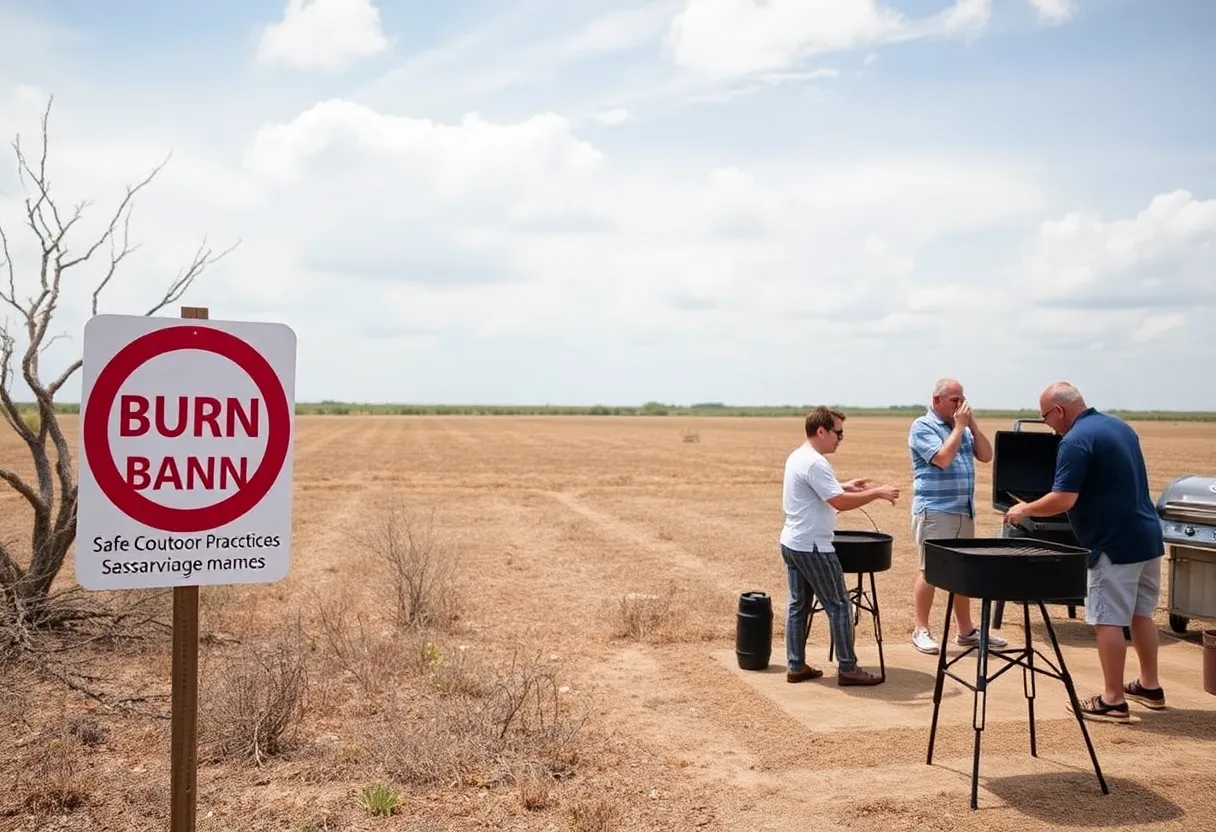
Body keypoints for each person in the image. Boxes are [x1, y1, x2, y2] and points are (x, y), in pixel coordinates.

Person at [1004, 381, 1165, 723]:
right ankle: (1150, 686)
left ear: (1059, 411)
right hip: (1146, 536)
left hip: (1112, 543)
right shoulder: (1119, 426)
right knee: (1141, 614)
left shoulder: (1075, 440)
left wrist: (1025, 509)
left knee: (1107, 619)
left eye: (1046, 416)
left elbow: (1064, 499)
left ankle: (1112, 699)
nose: (1047, 423)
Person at [780, 406, 900, 686]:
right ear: (821, 431)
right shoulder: (815, 462)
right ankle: (848, 668)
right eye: (839, 433)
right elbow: (838, 503)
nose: (840, 439)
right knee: (840, 605)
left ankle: (796, 665)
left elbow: (823, 489)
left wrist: (845, 485)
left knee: (799, 606)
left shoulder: (800, 456)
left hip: (792, 542)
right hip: (812, 547)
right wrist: (876, 493)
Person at [907, 378, 1008, 654]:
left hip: (963, 509)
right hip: (936, 510)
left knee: (962, 572)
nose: (960, 404)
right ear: (936, 400)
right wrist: (960, 427)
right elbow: (942, 458)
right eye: (954, 399)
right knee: (931, 570)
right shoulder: (923, 426)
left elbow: (986, 455)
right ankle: (921, 629)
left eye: (962, 398)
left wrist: (970, 425)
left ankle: (966, 632)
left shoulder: (962, 428)